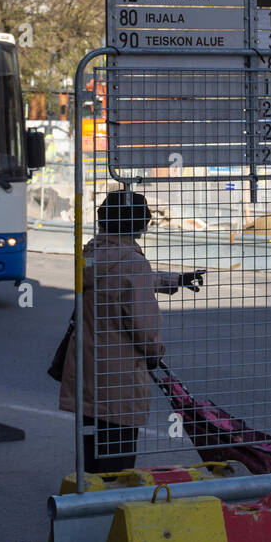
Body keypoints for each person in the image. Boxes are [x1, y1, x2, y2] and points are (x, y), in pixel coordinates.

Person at [59, 190, 174, 472]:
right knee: (119, 451)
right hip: (120, 374)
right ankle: (111, 503)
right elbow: (143, 325)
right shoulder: (133, 262)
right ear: (140, 224)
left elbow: (116, 281)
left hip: (88, 363)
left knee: (92, 444)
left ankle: (89, 497)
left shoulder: (92, 253)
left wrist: (171, 280)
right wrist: (155, 351)